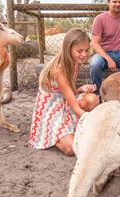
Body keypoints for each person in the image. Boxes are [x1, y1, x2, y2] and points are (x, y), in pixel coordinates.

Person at [29, 28, 99, 156]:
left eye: (86, 50)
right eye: (79, 51)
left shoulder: (76, 62)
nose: (84, 54)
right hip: (52, 109)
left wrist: (80, 89)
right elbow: (76, 109)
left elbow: (68, 90)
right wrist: (98, 124)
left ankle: (76, 130)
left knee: (93, 99)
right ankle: (50, 134)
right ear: (68, 49)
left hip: (65, 100)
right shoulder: (59, 69)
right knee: (71, 148)